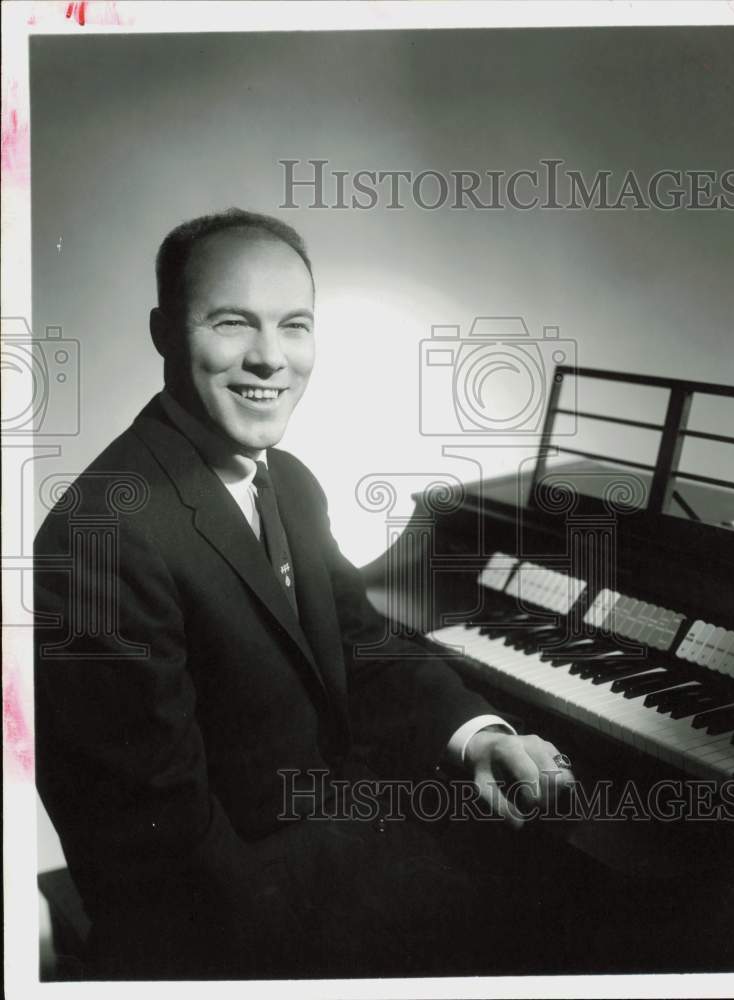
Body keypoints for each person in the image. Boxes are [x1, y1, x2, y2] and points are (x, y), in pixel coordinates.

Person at [34, 209, 576, 980]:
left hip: (319, 847)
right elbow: (160, 849)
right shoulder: (101, 531)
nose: (269, 359)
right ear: (163, 332)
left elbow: (366, 648)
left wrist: (480, 736)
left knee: (559, 872)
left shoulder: (287, 482)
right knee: (547, 907)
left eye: (295, 326)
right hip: (231, 917)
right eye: (231, 324)